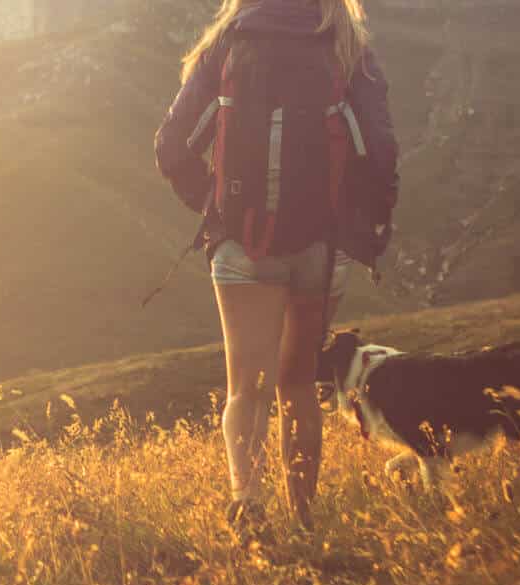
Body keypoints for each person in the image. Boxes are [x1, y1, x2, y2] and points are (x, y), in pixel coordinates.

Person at [155, 0, 398, 528]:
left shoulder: (227, 39)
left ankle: (249, 506)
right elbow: (380, 150)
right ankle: (304, 520)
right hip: (322, 246)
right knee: (297, 383)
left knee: (247, 389)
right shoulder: (346, 41)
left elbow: (170, 145)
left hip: (242, 245)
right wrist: (370, 222)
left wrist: (215, 210)